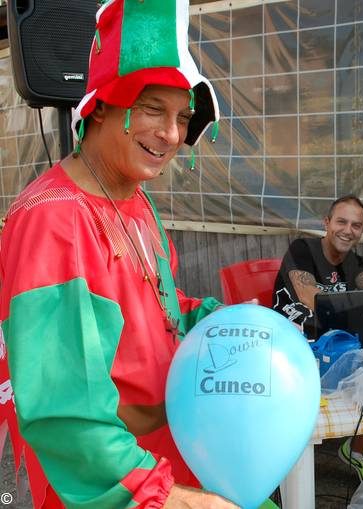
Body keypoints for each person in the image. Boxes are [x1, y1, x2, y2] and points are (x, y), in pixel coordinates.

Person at [0, 1, 242, 508]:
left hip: (163, 456)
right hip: (105, 482)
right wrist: (168, 498)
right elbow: (64, 410)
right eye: (153, 108)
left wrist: (227, 325)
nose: (172, 134)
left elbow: (159, 309)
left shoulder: (135, 198)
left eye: (182, 117)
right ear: (101, 106)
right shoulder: (54, 219)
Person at [272, 194, 363, 481]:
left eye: (356, 225)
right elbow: (313, 300)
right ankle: (284, 461)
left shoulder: (355, 262)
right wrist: (360, 307)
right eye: (341, 221)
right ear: (327, 222)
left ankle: (358, 450)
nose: (348, 230)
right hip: (292, 347)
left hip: (336, 347)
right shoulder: (303, 250)